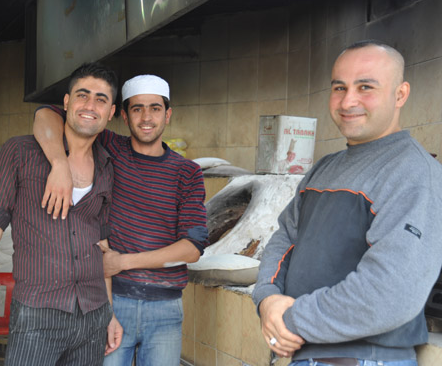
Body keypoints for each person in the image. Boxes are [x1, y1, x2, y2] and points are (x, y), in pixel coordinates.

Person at [252, 40, 442, 366]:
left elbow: (387, 295)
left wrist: (291, 318)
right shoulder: (325, 168)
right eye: (339, 87)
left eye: (365, 86)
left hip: (368, 358)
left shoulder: (415, 173)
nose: (348, 100)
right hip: (308, 353)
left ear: (400, 94)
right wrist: (267, 299)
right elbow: (284, 239)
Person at [0, 62, 123, 366]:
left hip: (92, 316)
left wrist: (109, 313)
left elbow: (102, 246)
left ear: (111, 112)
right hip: (37, 314)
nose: (90, 105)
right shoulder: (20, 153)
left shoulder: (108, 166)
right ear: (67, 103)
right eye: (82, 96)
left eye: (101, 99)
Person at [33, 74, 209, 366]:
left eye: (155, 108)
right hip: (112, 304)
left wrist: (123, 262)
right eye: (137, 109)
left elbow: (192, 248)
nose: (146, 117)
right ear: (124, 116)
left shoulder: (187, 173)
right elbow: (45, 115)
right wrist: (59, 163)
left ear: (168, 114)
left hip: (165, 308)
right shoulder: (110, 149)